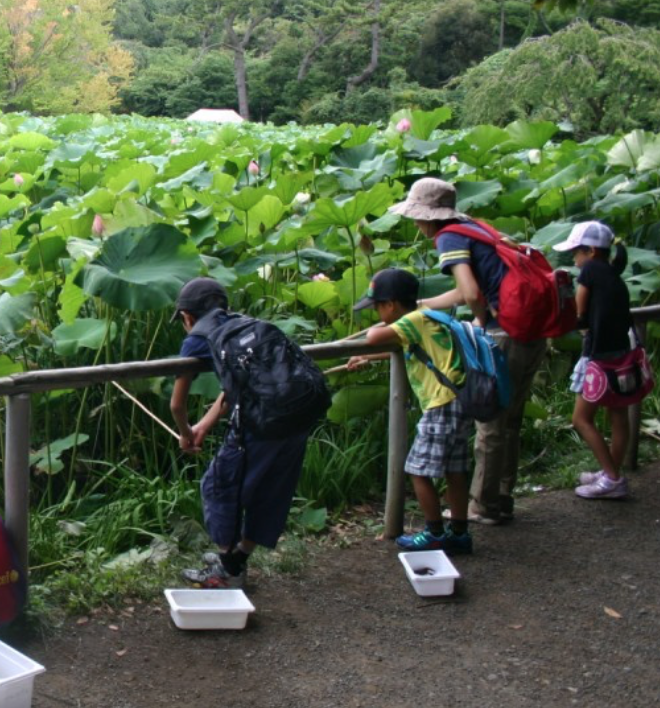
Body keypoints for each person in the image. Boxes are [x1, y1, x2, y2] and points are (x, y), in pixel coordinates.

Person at [389, 178, 547, 525]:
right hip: (530, 330)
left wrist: (480, 325)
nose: (415, 224)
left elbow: (472, 294)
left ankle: (483, 506)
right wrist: (422, 305)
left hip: (503, 330)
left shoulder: (448, 236)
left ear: (427, 216)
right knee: (510, 421)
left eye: (416, 217)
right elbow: (465, 291)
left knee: (489, 421)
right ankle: (502, 497)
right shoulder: (475, 228)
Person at [169, 277, 311, 587]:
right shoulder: (247, 324)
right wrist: (205, 425)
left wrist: (185, 433)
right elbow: (239, 384)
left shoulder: (196, 338)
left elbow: (177, 405)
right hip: (298, 417)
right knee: (270, 490)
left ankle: (227, 571)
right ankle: (236, 558)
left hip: (261, 424)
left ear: (188, 316)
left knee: (218, 486)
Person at [348, 268, 474, 555]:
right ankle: (459, 534)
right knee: (454, 470)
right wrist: (369, 358)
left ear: (390, 304)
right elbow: (410, 347)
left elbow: (373, 338)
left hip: (440, 404)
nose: (376, 313)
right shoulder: (427, 318)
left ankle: (434, 533)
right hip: (459, 400)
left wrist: (369, 343)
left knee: (417, 470)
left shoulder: (413, 319)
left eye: (377, 307)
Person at [552, 222, 633, 499]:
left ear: (591, 251)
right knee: (618, 416)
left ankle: (613, 478)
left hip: (598, 357)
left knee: (581, 419)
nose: (574, 259)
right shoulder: (612, 270)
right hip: (621, 353)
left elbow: (579, 310)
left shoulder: (589, 270)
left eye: (576, 252)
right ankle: (611, 470)